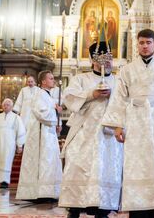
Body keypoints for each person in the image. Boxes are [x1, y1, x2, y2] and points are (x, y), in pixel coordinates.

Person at [101, 29, 154, 217]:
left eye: (148, 42)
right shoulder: (127, 70)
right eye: (141, 43)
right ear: (137, 44)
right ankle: (137, 207)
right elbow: (119, 99)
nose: (145, 46)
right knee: (136, 165)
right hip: (135, 124)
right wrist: (118, 125)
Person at [59, 42, 123, 218]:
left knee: (106, 169)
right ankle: (74, 209)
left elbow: (126, 103)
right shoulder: (81, 79)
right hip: (83, 132)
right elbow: (69, 98)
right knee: (78, 167)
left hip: (109, 136)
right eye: (100, 59)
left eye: (109, 59)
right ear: (92, 60)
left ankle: (102, 208)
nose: (105, 63)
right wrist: (91, 95)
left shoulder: (118, 80)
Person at [16, 70, 63, 201]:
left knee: (49, 161)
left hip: (49, 133)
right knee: (44, 160)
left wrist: (57, 119)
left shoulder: (47, 95)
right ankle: (41, 192)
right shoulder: (39, 94)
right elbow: (41, 112)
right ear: (43, 81)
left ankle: (49, 191)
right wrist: (55, 110)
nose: (53, 80)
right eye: (51, 78)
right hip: (41, 134)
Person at [0, 98, 26, 188]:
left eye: (8, 105)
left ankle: (5, 181)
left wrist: (20, 145)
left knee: (6, 161)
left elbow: (21, 131)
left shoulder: (16, 117)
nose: (5, 106)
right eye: (4, 105)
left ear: (11, 107)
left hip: (9, 144)